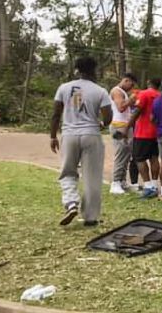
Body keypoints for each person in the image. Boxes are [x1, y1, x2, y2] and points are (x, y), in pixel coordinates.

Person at [50, 57, 113, 227]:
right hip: (91, 135)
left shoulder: (65, 88)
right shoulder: (100, 91)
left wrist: (53, 136)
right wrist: (101, 124)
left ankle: (71, 203)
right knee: (92, 177)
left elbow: (56, 114)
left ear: (77, 70)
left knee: (68, 172)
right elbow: (108, 117)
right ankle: (91, 217)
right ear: (95, 70)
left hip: (69, 135)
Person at [127, 78, 161, 199]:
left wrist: (127, 127)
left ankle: (147, 187)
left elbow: (137, 111)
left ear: (148, 83)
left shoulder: (144, 94)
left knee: (139, 159)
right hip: (156, 132)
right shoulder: (160, 95)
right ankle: (154, 185)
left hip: (142, 132)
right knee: (154, 158)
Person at [109, 72, 138, 195]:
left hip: (125, 125)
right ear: (126, 80)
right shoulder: (117, 91)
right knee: (121, 154)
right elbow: (121, 107)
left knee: (127, 155)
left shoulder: (123, 92)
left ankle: (122, 181)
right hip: (119, 126)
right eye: (131, 84)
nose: (131, 87)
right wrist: (131, 100)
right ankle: (115, 182)